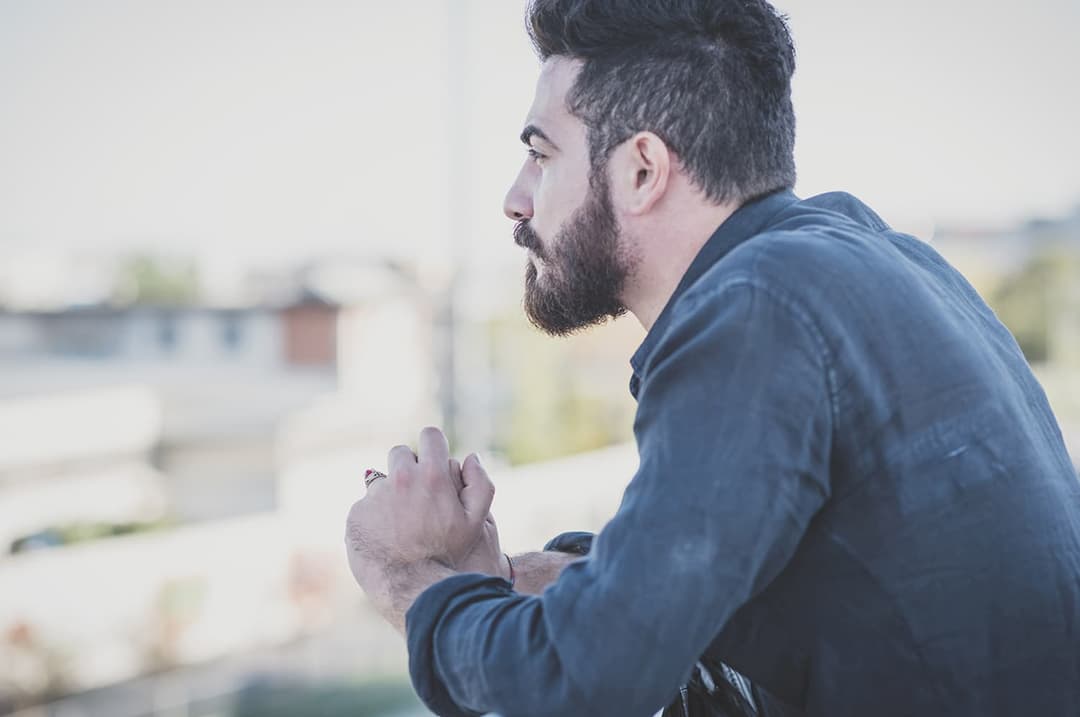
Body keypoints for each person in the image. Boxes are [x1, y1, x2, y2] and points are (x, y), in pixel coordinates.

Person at [343, 1, 1080, 715]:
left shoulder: (759, 309)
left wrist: (407, 580)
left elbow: (584, 680)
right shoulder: (870, 257)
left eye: (541, 155)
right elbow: (719, 586)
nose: (516, 199)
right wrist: (505, 580)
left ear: (642, 171)